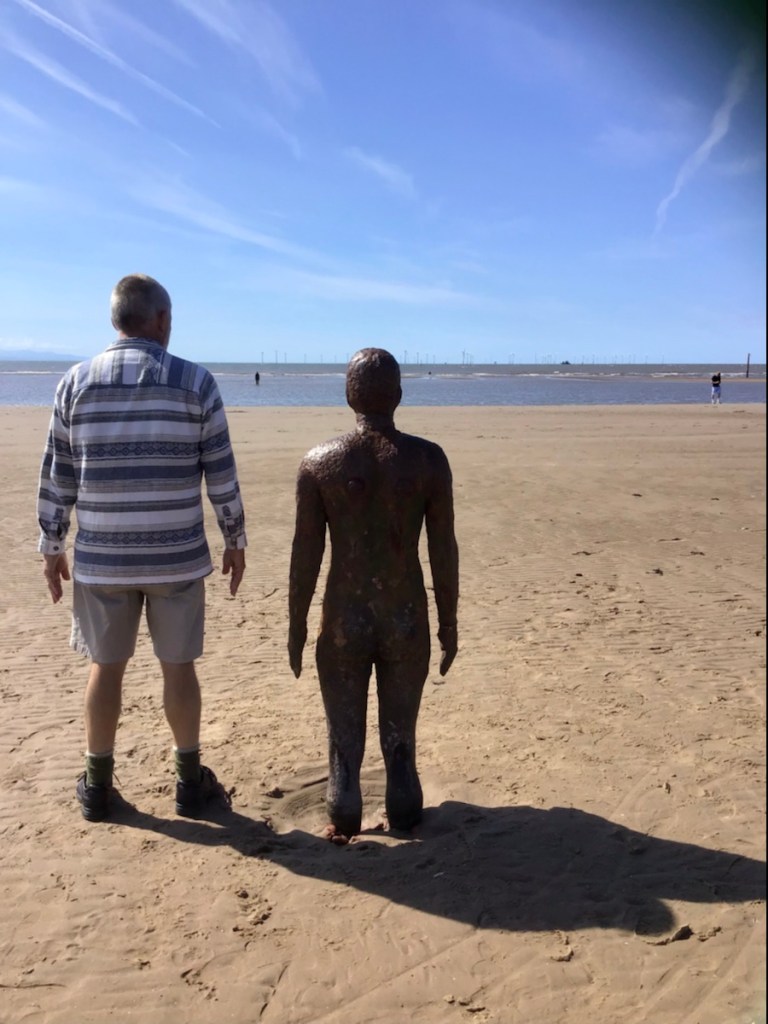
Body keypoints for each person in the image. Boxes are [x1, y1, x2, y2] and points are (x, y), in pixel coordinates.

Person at [37, 274, 247, 822]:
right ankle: (188, 783)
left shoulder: (75, 383)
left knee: (105, 669)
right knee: (178, 668)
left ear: (116, 319)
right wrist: (234, 538)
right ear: (160, 319)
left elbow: (59, 475)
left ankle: (97, 785)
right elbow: (220, 471)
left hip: (103, 558)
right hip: (176, 556)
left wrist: (52, 544)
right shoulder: (195, 382)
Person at [288, 348, 459, 841]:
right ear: (399, 396)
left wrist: (297, 625)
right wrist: (448, 622)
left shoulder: (319, 462)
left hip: (344, 617)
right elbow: (443, 548)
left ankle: (343, 812)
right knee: (400, 736)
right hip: (406, 616)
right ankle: (403, 812)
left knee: (344, 740)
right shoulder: (428, 460)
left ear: (349, 396)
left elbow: (306, 554)